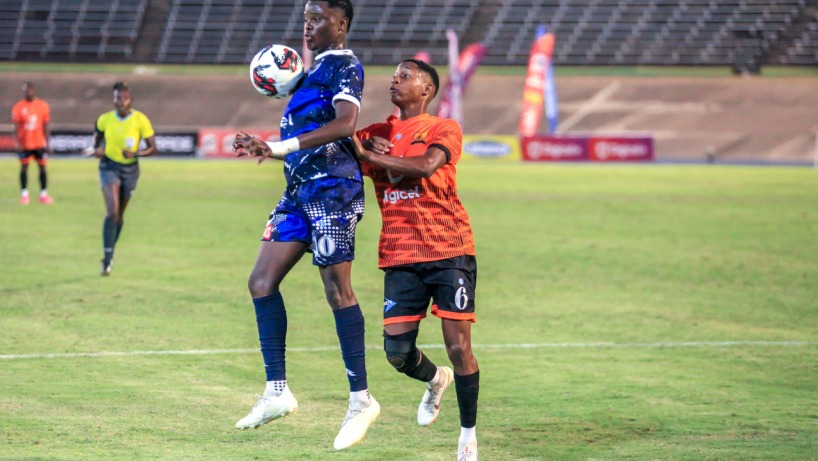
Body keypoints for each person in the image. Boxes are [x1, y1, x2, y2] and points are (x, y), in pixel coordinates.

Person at [231, 0, 378, 451]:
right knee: (260, 281)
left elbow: (345, 123)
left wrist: (276, 147)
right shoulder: (307, 74)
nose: (309, 26)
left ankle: (361, 400)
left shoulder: (345, 66)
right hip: (298, 193)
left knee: (337, 291)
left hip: (334, 189)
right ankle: (277, 392)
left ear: (341, 24)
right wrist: (266, 145)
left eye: (319, 19)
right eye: (306, 19)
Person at [353, 59, 480, 461]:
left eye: (405, 75)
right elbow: (331, 150)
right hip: (400, 253)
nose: (395, 79)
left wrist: (371, 156)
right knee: (396, 353)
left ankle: (467, 437)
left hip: (449, 250)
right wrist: (273, 150)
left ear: (427, 89)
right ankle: (435, 379)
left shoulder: (444, 128)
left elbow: (426, 166)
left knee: (459, 348)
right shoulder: (373, 134)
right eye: (394, 74)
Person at [88, 82, 157, 276]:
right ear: (113, 99)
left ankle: (110, 251)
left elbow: (153, 148)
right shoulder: (104, 120)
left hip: (130, 170)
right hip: (109, 167)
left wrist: (136, 153)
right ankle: (107, 258)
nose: (120, 102)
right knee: (112, 211)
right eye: (117, 98)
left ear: (131, 100)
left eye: (124, 98)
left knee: (119, 216)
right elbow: (96, 142)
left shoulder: (140, 120)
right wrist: (97, 150)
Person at [11, 82, 53, 205]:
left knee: (42, 168)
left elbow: (46, 125)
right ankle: (24, 195)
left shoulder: (43, 106)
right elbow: (16, 126)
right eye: (25, 91)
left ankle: (43, 195)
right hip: (25, 144)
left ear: (33, 90)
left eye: (29, 90)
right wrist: (17, 142)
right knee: (24, 168)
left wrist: (48, 143)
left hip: (39, 143)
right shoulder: (18, 107)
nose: (27, 92)